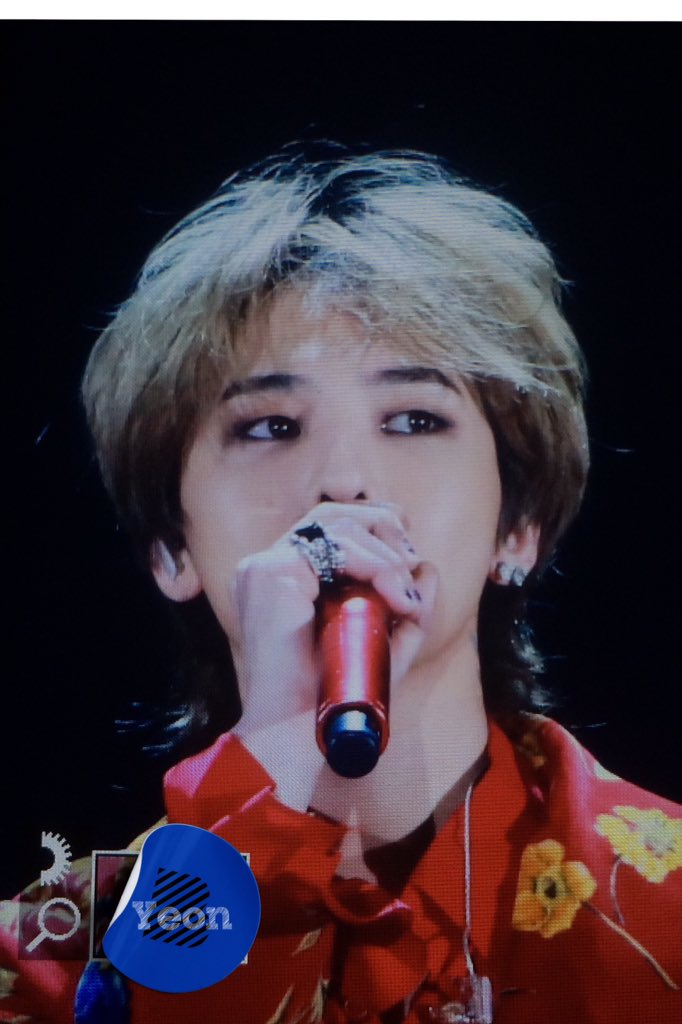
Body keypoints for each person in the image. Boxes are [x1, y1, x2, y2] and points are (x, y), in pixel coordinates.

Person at [1, 148, 680, 1023]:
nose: (344, 484)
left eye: (414, 418)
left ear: (519, 526)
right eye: (269, 426)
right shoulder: (52, 967)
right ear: (171, 546)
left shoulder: (665, 915)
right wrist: (272, 776)